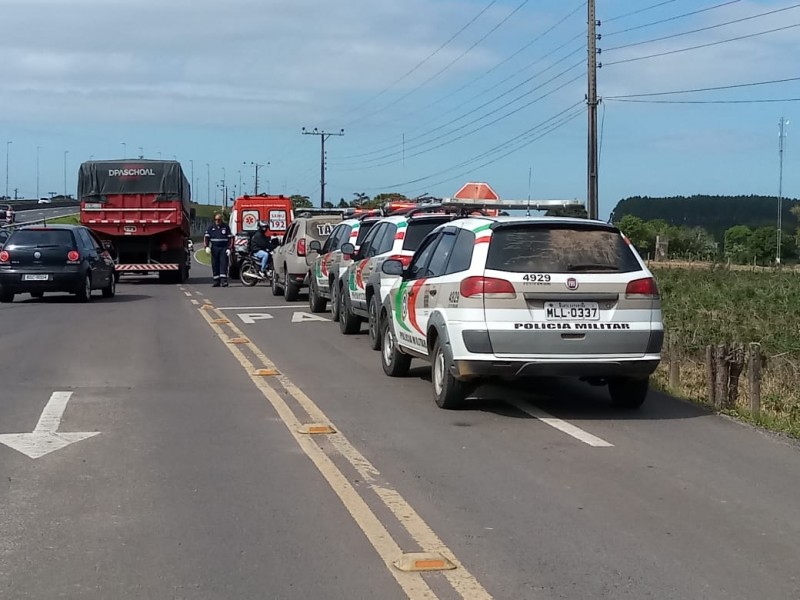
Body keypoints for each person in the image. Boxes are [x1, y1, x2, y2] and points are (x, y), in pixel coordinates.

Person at [204, 213, 233, 287]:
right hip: (214, 248)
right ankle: (216, 281)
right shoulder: (211, 227)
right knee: (215, 264)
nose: (217, 221)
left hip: (223, 248)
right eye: (216, 219)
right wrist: (206, 246)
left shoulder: (226, 227)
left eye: (219, 220)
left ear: (221, 220)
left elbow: (230, 238)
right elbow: (206, 237)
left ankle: (223, 281)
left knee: (223, 264)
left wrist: (229, 248)